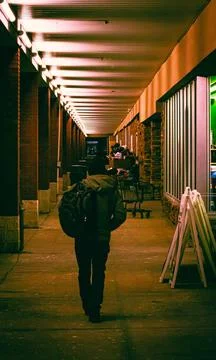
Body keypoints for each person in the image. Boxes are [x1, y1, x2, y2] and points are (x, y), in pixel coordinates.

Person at [74, 156, 126, 323]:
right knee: (98, 271)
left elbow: (70, 209)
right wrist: (107, 226)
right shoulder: (112, 188)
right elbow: (120, 214)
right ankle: (95, 308)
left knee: (83, 271)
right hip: (101, 237)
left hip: (82, 236)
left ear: (89, 170)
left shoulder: (81, 186)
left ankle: (86, 304)